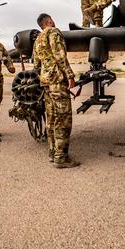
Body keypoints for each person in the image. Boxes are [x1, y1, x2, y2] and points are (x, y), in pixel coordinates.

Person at [32, 13, 79, 168]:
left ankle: (53, 153)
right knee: (63, 119)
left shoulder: (38, 39)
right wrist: (70, 75)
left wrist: (44, 77)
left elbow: (37, 64)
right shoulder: (53, 32)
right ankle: (61, 157)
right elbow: (60, 55)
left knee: (51, 119)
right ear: (50, 21)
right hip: (57, 81)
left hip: (46, 82)